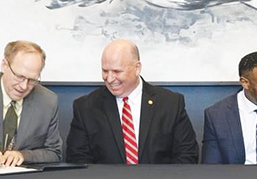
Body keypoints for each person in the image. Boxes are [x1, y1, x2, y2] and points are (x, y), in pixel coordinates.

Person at [66, 39, 199, 164]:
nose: (110, 78)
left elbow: (187, 155)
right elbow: (78, 160)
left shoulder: (170, 104)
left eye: (117, 71)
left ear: (137, 68)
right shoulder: (86, 108)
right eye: (105, 71)